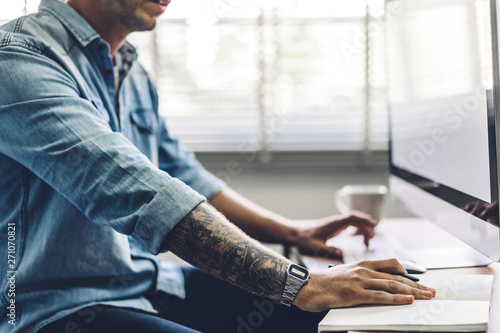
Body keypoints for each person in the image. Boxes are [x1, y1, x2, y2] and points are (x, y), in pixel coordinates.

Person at [0, 0, 436, 332]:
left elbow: (184, 174)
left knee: (339, 316)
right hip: (51, 311)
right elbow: (134, 189)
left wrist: (292, 234)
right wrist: (298, 283)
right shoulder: (17, 59)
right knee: (305, 294)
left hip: (145, 283)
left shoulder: (129, 70)